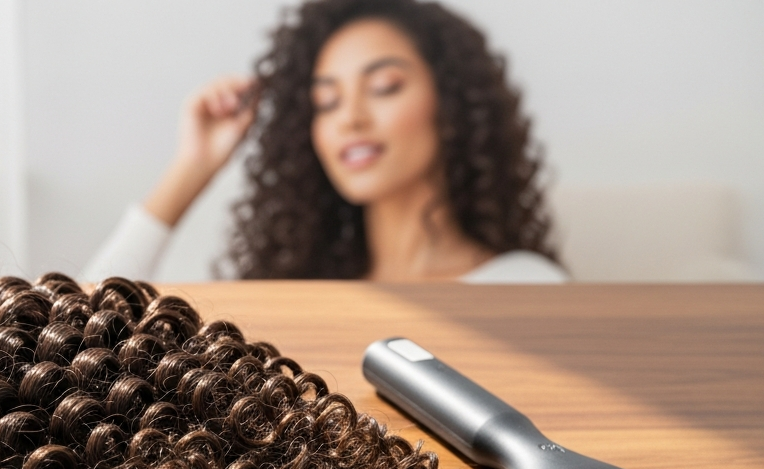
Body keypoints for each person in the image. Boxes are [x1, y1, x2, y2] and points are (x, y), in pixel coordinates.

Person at [82, 0, 567, 283]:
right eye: (326, 102)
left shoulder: (523, 283)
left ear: (455, 104)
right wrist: (192, 168)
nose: (350, 118)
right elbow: (72, 341)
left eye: (384, 88)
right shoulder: (294, 290)